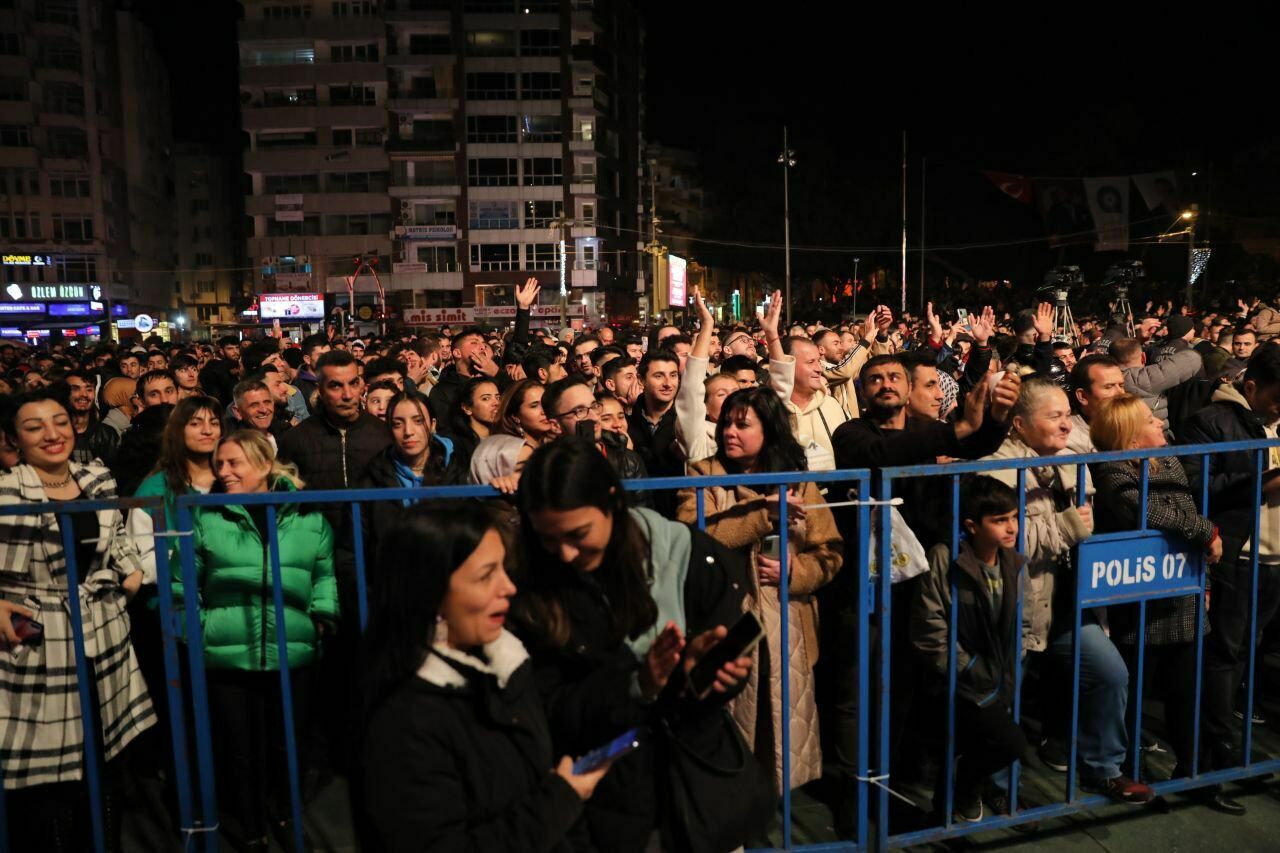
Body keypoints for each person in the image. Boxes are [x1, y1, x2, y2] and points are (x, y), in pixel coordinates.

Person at [513, 438, 755, 853]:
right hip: (604, 802)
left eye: (579, 533)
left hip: (696, 789)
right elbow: (548, 705)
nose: (566, 553)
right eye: (549, 539)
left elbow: (708, 686)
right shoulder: (532, 589)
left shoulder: (688, 556)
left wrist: (710, 675)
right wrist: (637, 685)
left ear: (612, 499)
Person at [362, 502, 610, 851]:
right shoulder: (405, 722)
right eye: (485, 575)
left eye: (504, 570)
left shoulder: (507, 666)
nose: (508, 587)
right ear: (430, 592)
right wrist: (557, 802)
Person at [981, 378, 1152, 803]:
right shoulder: (994, 469)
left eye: (1065, 415)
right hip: (1017, 606)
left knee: (1110, 673)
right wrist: (1069, 527)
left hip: (1068, 604)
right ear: (1019, 424)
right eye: (1052, 416)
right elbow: (1005, 541)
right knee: (1003, 700)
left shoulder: (1068, 461)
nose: (1064, 425)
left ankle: (1103, 768)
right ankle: (994, 787)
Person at [0, 389, 156, 850]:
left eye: (61, 421)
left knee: (105, 760)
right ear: (16, 439)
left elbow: (118, 536)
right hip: (38, 647)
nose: (52, 434)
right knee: (50, 773)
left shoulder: (96, 476)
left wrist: (129, 572)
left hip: (103, 636)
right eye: (35, 427)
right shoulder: (8, 489)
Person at [177, 429, 338, 850]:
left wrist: (321, 619)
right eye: (220, 464)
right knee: (238, 749)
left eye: (234, 463)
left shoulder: (307, 516)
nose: (223, 471)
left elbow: (323, 575)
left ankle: (286, 814)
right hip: (226, 651)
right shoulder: (203, 515)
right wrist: (196, 626)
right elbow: (182, 584)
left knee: (289, 742)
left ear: (264, 465)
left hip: (293, 649)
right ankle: (250, 828)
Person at [676, 386, 842, 790]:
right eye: (725, 423)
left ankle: (771, 810)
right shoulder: (701, 474)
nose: (729, 431)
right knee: (729, 721)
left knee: (780, 726)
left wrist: (794, 574)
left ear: (769, 430)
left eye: (743, 424)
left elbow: (830, 550)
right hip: (725, 618)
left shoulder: (798, 482)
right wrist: (761, 516)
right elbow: (693, 536)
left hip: (787, 622)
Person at [1090, 394, 1242, 814]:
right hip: (1141, 602)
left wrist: (1204, 578)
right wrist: (1208, 531)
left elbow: (1183, 517)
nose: (1161, 423)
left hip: (1184, 595)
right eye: (1149, 420)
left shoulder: (1170, 462)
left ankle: (1196, 776)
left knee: (1189, 696)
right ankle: (1132, 775)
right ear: (1130, 437)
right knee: (1135, 696)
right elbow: (1154, 514)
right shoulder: (1111, 470)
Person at [1179, 343, 1280, 773]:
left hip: (1276, 559)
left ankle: (1225, 749)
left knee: (1247, 653)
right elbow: (1197, 486)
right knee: (1224, 656)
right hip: (1238, 555)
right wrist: (1263, 481)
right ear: (1252, 386)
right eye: (1277, 399)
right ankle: (1211, 758)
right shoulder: (1211, 420)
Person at [912, 476, 1036, 823]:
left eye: (1013, 517)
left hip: (997, 677)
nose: (1011, 527)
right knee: (1007, 743)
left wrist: (1016, 657)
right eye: (999, 520)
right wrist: (967, 667)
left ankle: (953, 804)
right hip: (959, 680)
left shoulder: (1012, 562)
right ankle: (960, 795)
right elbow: (929, 627)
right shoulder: (946, 558)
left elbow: (1025, 616)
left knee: (976, 746)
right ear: (972, 525)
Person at [358, 390, 466, 561]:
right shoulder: (373, 477)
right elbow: (353, 549)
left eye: (418, 421)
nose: (408, 431)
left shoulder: (456, 471)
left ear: (432, 425)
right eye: (397, 424)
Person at [63, 369, 119, 467]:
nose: (84, 395)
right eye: (75, 389)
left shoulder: (107, 435)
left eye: (89, 389)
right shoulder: (55, 434)